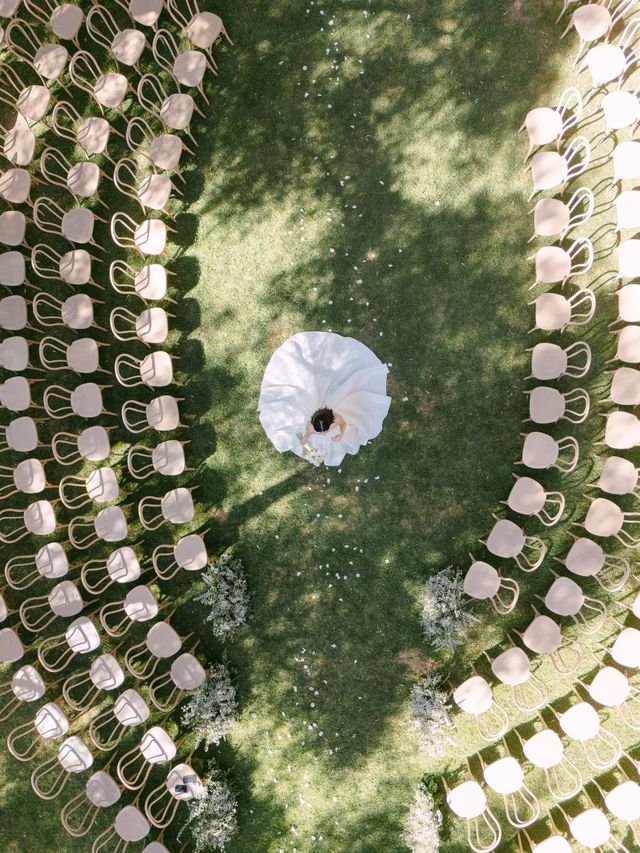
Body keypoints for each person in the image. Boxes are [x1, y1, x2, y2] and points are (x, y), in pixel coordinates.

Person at [258, 331, 391, 467]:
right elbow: (308, 434)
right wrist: (305, 439)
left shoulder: (337, 418)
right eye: (320, 431)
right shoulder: (310, 426)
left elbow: (343, 424)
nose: (322, 433)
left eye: (323, 430)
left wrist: (340, 435)